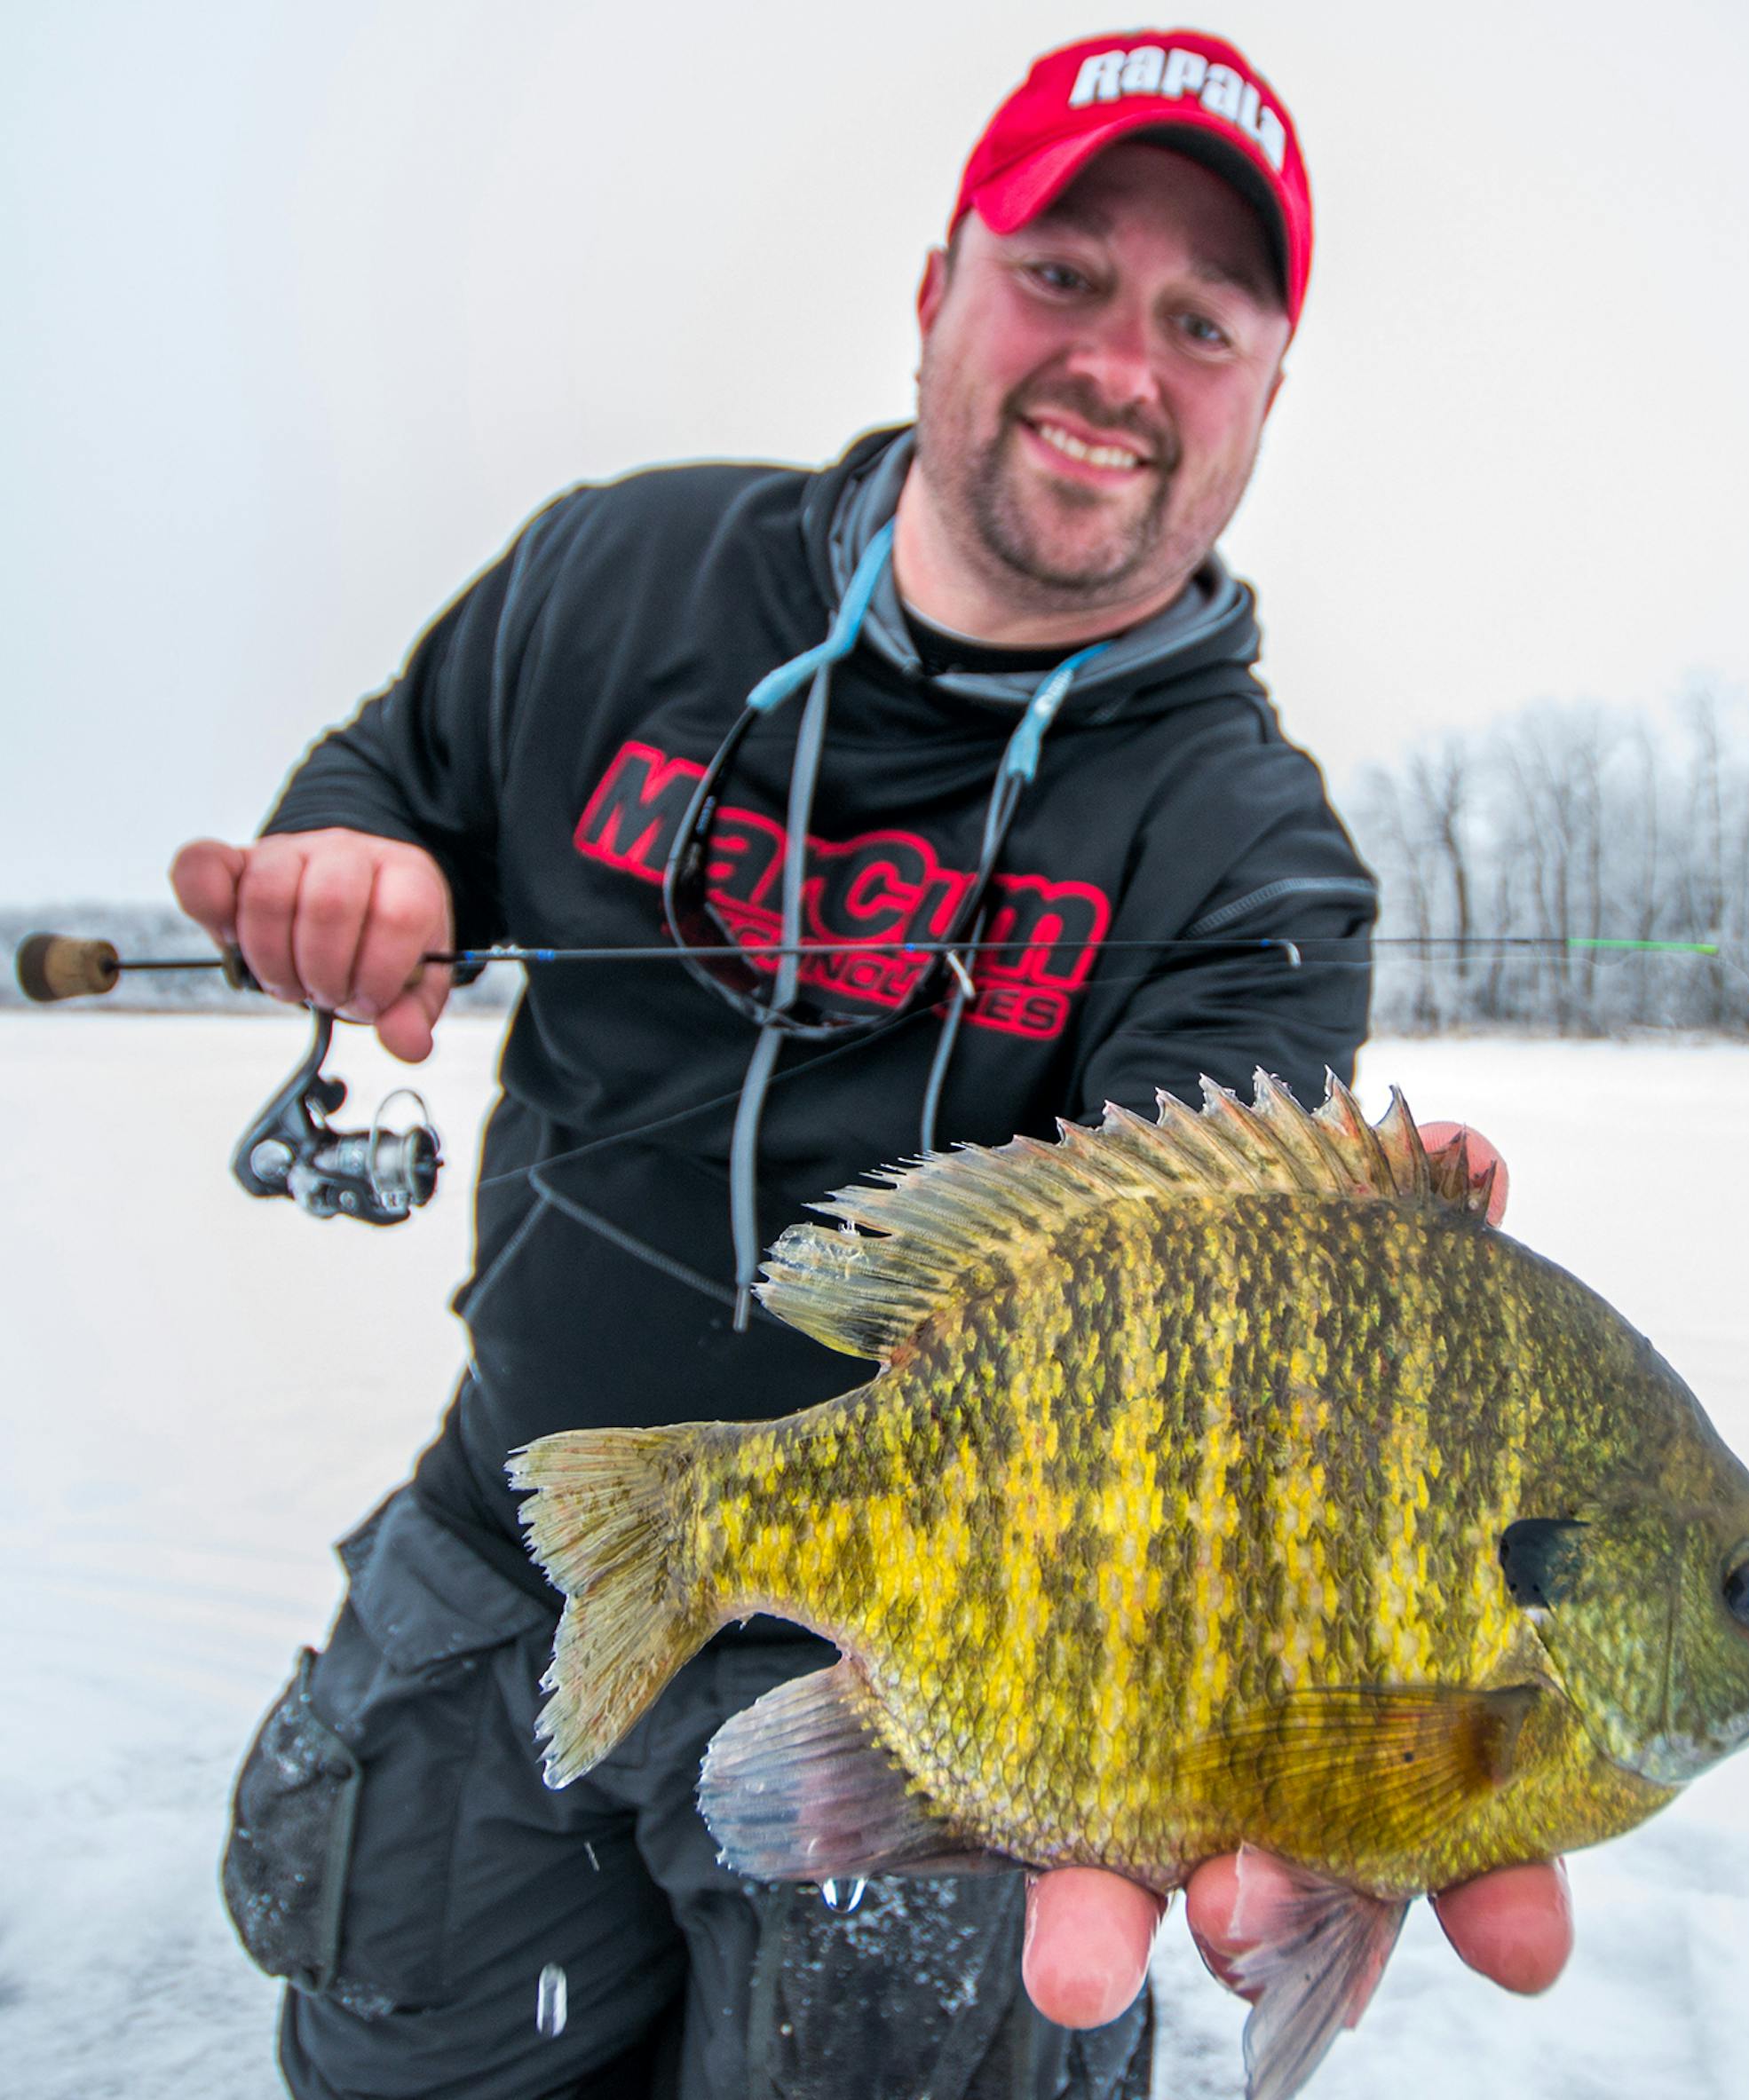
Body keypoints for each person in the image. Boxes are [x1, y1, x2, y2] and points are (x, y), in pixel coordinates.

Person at [176, 28, 1563, 2100]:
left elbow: (1182, 1320)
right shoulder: (616, 576)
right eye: (1064, 273)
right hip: (507, 1545)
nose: (1121, 361)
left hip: (931, 1670)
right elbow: (398, 767)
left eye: (1204, 322)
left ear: (1266, 397)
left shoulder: (1248, 855)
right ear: (936, 290)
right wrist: (353, 851)